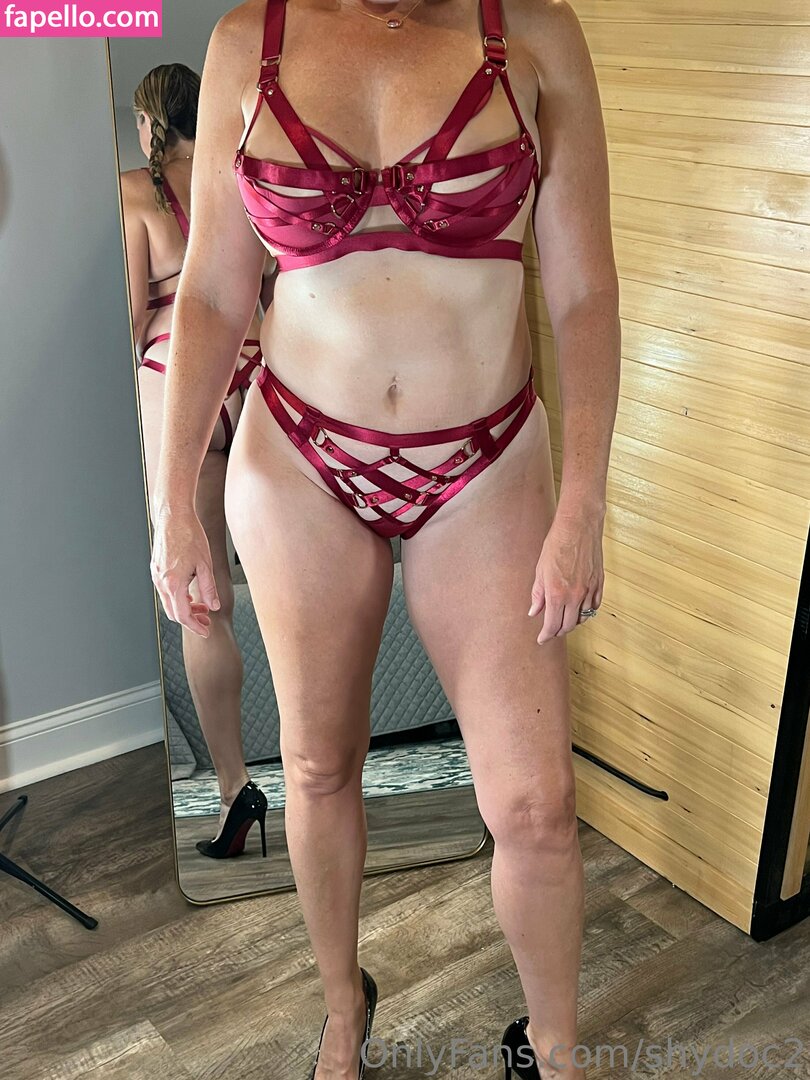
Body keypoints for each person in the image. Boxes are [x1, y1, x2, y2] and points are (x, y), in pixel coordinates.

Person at [150, 0, 620, 1076]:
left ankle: (556, 1049)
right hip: (300, 459)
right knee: (318, 763)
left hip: (488, 462)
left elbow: (586, 291)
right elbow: (215, 292)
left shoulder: (537, 33)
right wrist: (173, 499)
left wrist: (585, 503)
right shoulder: (247, 42)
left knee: (537, 804)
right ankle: (341, 1010)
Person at [121, 63, 277, 859]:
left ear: (150, 124)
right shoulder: (241, 176)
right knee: (294, 581)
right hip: (257, 368)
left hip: (177, 380)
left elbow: (129, 317)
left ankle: (232, 785)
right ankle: (325, 768)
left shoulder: (131, 194)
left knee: (200, 597)